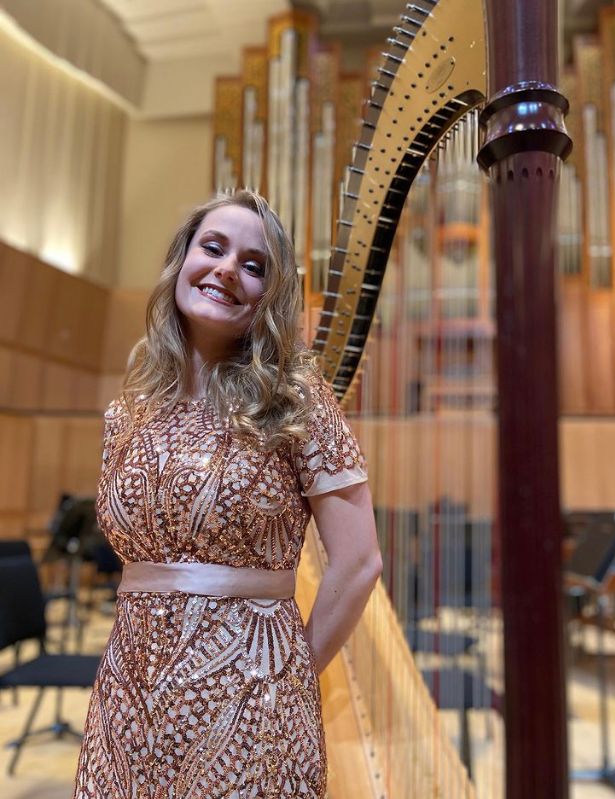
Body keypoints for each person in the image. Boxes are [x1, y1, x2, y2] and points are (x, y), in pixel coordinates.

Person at [73, 190, 382, 798]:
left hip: (251, 704)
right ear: (181, 260)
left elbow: (360, 560)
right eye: (212, 248)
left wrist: (288, 677)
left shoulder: (295, 398)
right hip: (127, 697)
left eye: (253, 264)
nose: (227, 269)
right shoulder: (127, 413)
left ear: (271, 294)